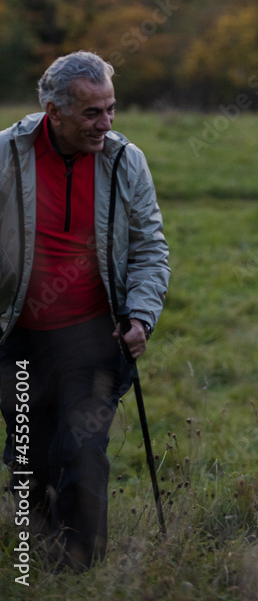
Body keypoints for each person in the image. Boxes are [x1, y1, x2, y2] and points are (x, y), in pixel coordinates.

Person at [0, 51, 169, 570]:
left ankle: (81, 568)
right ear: (54, 111)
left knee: (81, 448)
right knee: (29, 455)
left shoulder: (124, 160)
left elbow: (149, 248)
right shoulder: (6, 155)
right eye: (92, 113)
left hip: (95, 337)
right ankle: (38, 556)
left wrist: (140, 315)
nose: (106, 123)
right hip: (20, 338)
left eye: (111, 109)